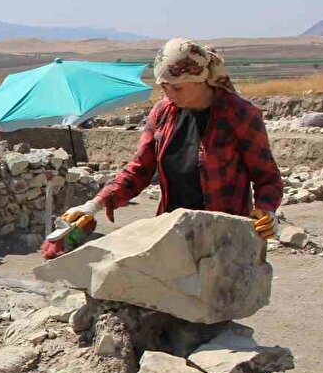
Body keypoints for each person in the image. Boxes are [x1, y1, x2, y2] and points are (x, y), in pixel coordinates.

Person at [62, 38, 282, 239]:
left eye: (176, 87)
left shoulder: (240, 115)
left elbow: (267, 177)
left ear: (200, 79)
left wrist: (266, 210)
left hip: (224, 234)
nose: (169, 95)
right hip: (173, 230)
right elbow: (139, 169)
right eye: (164, 87)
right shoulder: (162, 113)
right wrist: (94, 205)